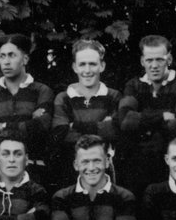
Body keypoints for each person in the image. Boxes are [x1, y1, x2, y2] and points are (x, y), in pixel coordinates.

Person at [117, 34, 176, 199]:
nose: (154, 65)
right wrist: (162, 115)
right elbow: (125, 120)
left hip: (171, 164)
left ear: (169, 59)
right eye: (149, 60)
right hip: (137, 164)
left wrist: (142, 119)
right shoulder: (134, 85)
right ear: (142, 61)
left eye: (159, 60)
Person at [0, 34, 54, 183]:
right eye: (2, 56)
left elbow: (42, 129)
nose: (6, 61)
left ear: (25, 59)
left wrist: (1, 126)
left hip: (36, 173)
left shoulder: (42, 91)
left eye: (12, 55)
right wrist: (28, 123)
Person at [50, 39, 122, 191]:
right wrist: (102, 126)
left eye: (93, 64)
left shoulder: (114, 96)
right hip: (71, 168)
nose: (87, 70)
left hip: (104, 168)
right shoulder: (63, 98)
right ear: (75, 67)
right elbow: (60, 134)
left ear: (102, 66)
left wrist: (75, 126)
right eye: (82, 64)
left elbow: (115, 131)